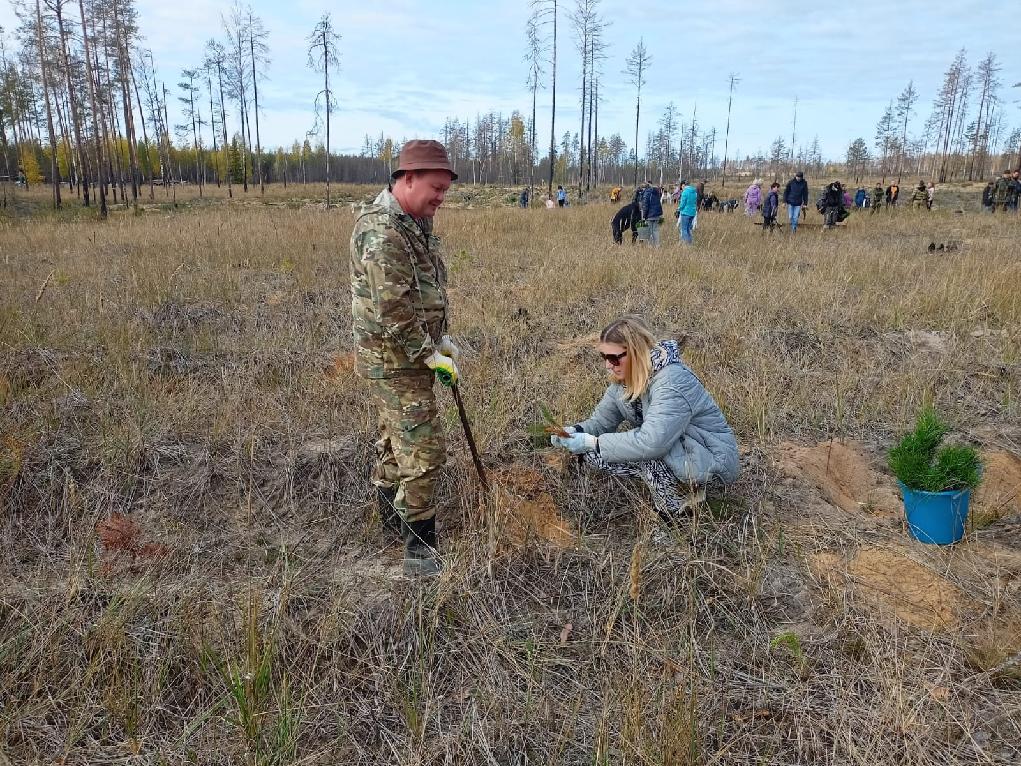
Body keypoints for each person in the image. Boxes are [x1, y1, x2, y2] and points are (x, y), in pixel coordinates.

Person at [349, 139, 459, 577]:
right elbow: (393, 309)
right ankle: (419, 551)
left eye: (445, 189)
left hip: (408, 357)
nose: (441, 198)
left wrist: (442, 339)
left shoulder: (414, 222)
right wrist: (431, 355)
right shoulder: (383, 231)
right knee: (423, 448)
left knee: (395, 439)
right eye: (435, 187)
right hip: (395, 361)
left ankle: (390, 518)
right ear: (407, 179)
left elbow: (425, 290)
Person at [549, 316, 739, 525]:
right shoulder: (623, 382)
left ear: (636, 351)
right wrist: (573, 432)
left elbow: (652, 443)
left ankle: (676, 520)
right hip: (679, 453)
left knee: (645, 456)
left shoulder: (672, 382)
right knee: (591, 455)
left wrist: (592, 442)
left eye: (614, 358)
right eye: (604, 357)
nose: (608, 365)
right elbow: (601, 423)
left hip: (710, 464)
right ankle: (668, 488)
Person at [640, 181, 664, 246]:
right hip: (657, 215)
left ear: (645, 188)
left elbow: (645, 206)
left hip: (649, 215)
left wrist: (644, 216)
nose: (642, 189)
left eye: (642, 188)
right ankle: (657, 246)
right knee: (656, 231)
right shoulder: (656, 192)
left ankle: (650, 246)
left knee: (649, 231)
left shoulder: (646, 193)